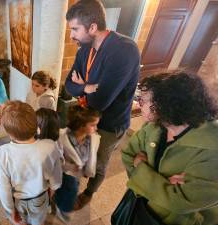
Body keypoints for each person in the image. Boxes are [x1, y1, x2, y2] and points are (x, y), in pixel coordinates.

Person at [64, 0, 140, 208]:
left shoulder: (124, 50)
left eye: (75, 29)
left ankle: (88, 193)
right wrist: (88, 87)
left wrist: (85, 87)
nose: (72, 36)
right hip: (85, 116)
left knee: (98, 163)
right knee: (80, 155)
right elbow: (68, 85)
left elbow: (100, 101)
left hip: (109, 123)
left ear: (93, 27)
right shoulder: (84, 50)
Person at [121, 71, 218, 225]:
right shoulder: (154, 126)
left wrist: (140, 167)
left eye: (142, 100)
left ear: (165, 105)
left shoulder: (212, 148)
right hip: (139, 207)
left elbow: (181, 202)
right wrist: (163, 185)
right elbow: (128, 154)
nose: (139, 104)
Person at [0, 101, 62, 225]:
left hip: (18, 200)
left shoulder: (2, 152)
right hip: (40, 199)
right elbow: (56, 177)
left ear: (9, 134)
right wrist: (53, 189)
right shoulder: (50, 146)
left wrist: (10, 211)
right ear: (36, 125)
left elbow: (4, 188)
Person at [52, 105, 101, 223]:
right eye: (93, 125)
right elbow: (55, 159)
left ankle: (59, 203)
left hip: (77, 174)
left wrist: (88, 169)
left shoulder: (93, 139)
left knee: (69, 189)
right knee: (70, 191)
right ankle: (63, 211)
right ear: (81, 125)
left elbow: (91, 156)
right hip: (64, 172)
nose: (96, 128)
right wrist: (69, 166)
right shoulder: (62, 137)